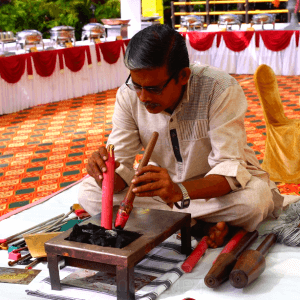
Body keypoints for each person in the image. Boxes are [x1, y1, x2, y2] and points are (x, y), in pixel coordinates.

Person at [78, 24, 283, 248]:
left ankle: (177, 222)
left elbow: (229, 167)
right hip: (162, 191)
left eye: (154, 88)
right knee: (89, 192)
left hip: (213, 190)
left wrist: (179, 191)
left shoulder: (219, 89)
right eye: (137, 85)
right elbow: (120, 173)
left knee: (256, 201)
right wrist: (103, 174)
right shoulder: (128, 96)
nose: (143, 97)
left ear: (183, 76)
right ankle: (199, 226)